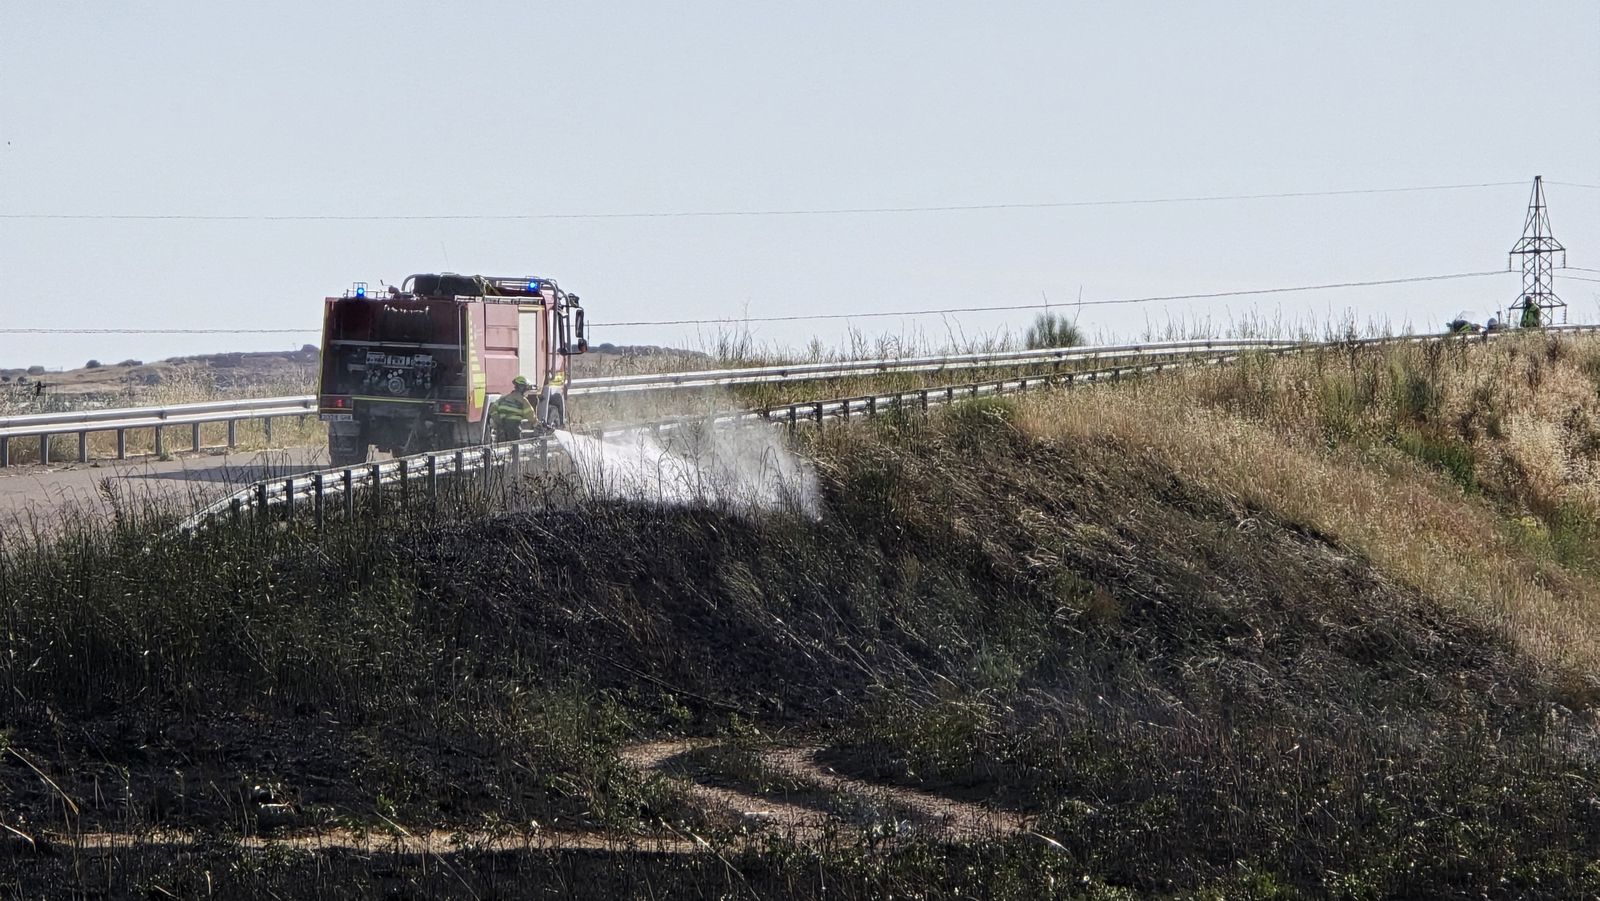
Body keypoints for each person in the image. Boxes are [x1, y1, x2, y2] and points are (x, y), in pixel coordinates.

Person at [492, 375, 537, 441]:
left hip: (501, 428)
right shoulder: (523, 400)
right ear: (523, 388)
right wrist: (537, 425)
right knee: (515, 447)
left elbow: (493, 409)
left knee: (502, 448)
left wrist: (498, 420)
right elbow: (530, 415)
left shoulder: (504, 398)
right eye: (527, 389)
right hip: (513, 428)